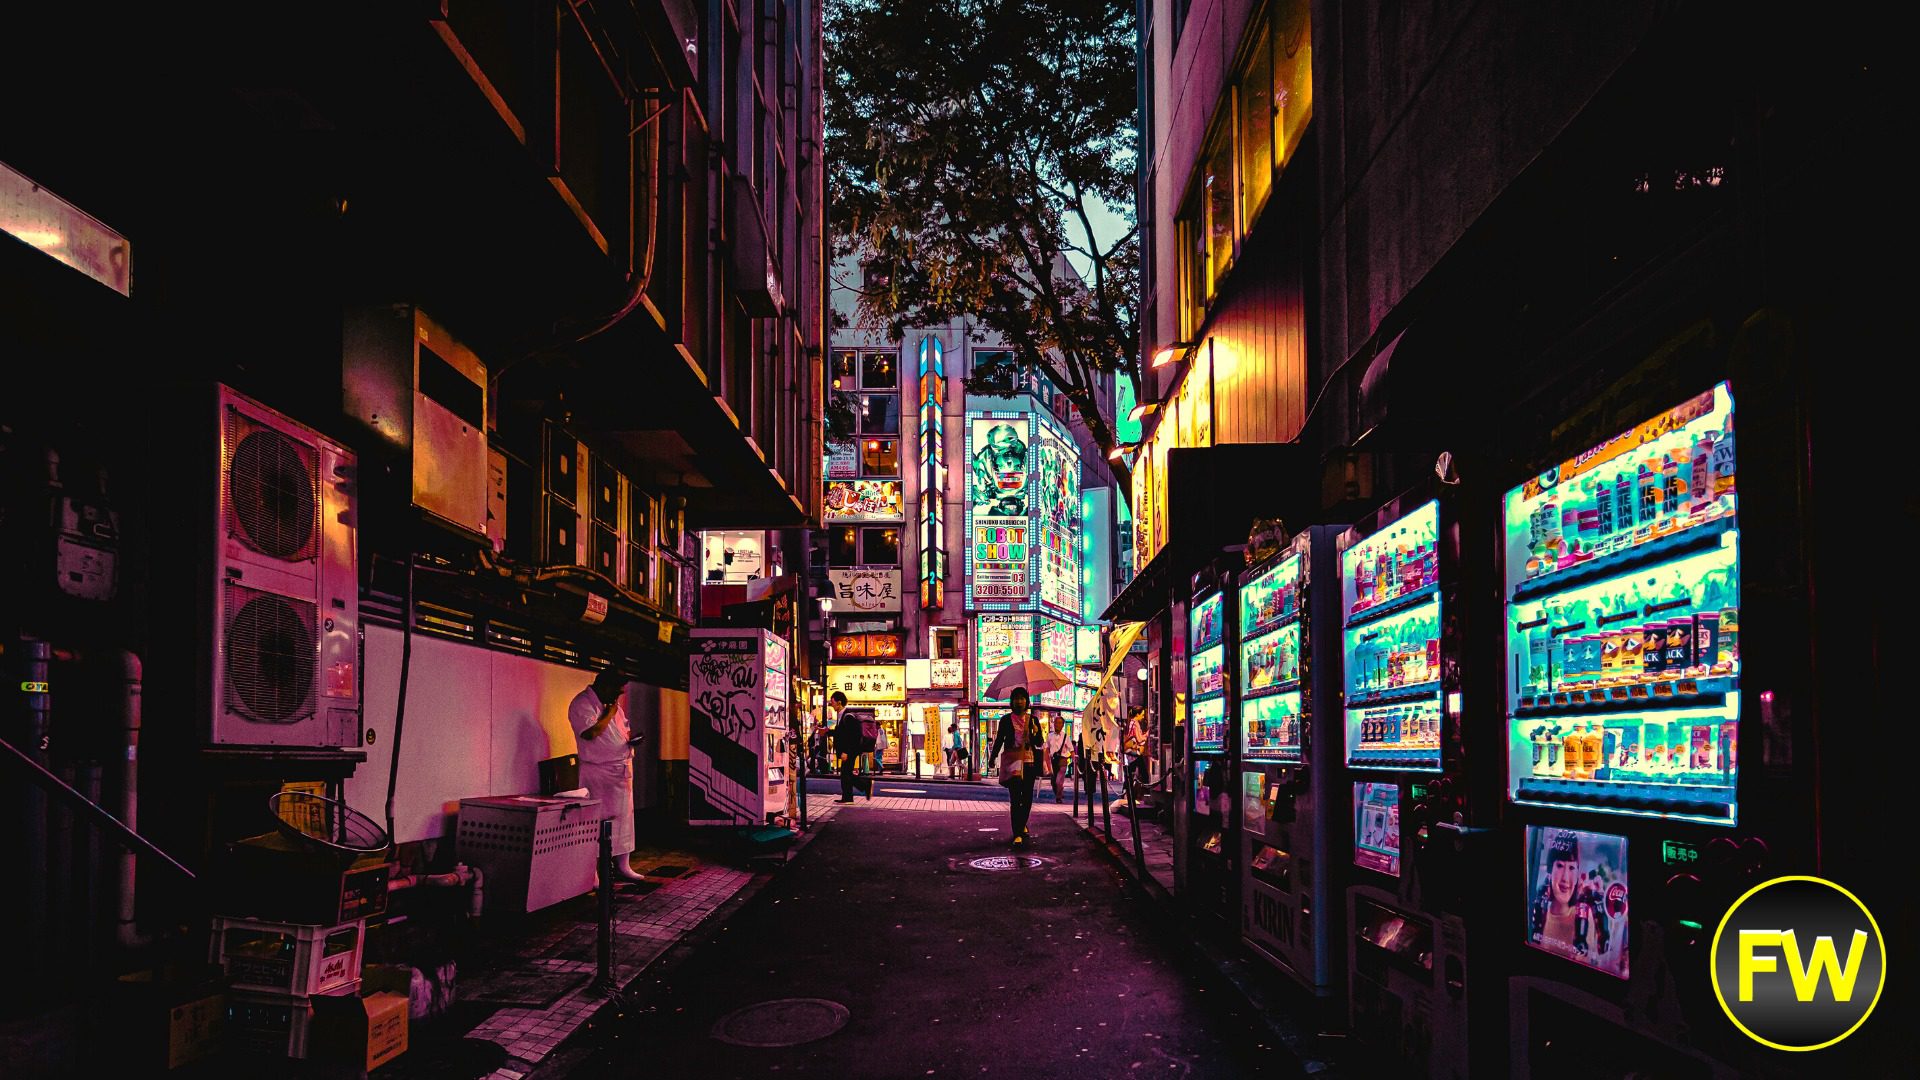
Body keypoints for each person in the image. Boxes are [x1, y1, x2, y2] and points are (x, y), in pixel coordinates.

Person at [570, 668, 645, 882]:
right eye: (616, 691)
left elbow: (622, 730)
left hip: (620, 768)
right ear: (604, 685)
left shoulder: (614, 706)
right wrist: (609, 714)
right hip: (598, 772)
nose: (617, 697)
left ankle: (622, 865)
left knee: (623, 819)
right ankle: (591, 872)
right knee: (596, 820)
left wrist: (629, 740)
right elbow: (590, 733)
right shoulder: (582, 703)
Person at [989, 688, 1047, 848]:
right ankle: (1017, 833)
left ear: (1027, 701)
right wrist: (992, 757)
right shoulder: (1006, 720)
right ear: (1012, 701)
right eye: (1016, 698)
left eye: (1022, 698)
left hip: (1029, 763)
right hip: (1013, 763)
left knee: (1027, 798)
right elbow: (1000, 739)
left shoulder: (1034, 720)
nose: (1019, 701)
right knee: (1015, 799)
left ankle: (1021, 824)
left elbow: (1039, 742)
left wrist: (1035, 733)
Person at [831, 693, 872, 802]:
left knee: (846, 774)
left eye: (833, 702)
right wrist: (827, 732)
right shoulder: (842, 716)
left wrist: (846, 751)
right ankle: (848, 797)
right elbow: (840, 733)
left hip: (850, 751)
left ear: (839, 702)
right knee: (846, 774)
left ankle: (865, 785)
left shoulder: (847, 716)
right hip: (848, 750)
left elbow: (854, 736)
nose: (832, 705)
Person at [1045, 716, 1071, 802]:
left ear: (1063, 725)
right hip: (1053, 761)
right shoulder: (1049, 735)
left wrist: (1074, 760)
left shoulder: (1066, 736)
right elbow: (1047, 748)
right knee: (1053, 782)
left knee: (1058, 781)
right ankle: (1059, 792)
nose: (1057, 724)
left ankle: (1058, 797)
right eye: (1056, 722)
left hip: (1062, 760)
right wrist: (1046, 760)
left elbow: (1071, 749)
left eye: (1060, 723)